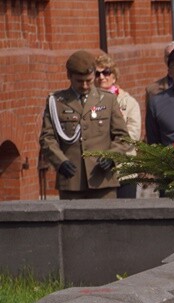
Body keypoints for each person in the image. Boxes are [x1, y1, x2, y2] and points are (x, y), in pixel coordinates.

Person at [38, 50, 130, 200]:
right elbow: (47, 138)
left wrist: (112, 156)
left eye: (89, 80)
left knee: (105, 222)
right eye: (80, 81)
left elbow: (123, 137)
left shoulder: (107, 100)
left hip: (102, 180)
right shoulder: (57, 102)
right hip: (72, 180)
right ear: (69, 76)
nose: (85, 86)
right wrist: (60, 162)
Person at [93, 52, 148, 198]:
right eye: (97, 74)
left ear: (114, 76)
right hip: (97, 171)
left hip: (124, 171)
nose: (101, 77)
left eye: (106, 72)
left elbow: (132, 136)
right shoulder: (88, 102)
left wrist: (112, 155)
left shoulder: (128, 103)